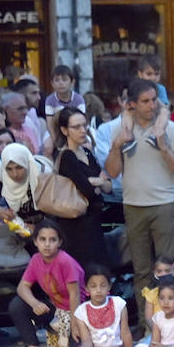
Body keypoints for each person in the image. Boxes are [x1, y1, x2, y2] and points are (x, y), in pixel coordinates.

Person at [103, 78, 174, 301]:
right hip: (133, 206)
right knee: (141, 270)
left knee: (167, 268)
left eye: (154, 100)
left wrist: (164, 149)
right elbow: (112, 173)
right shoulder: (119, 128)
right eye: (145, 101)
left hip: (164, 205)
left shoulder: (169, 128)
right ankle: (146, 325)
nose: (152, 105)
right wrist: (116, 146)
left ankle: (172, 323)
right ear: (132, 104)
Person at [33, 265, 138, 347]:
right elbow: (87, 341)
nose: (98, 290)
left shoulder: (119, 304)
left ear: (109, 287)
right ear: (87, 289)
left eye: (103, 285)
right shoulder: (81, 311)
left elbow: (125, 333)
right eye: (93, 286)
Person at [7, 220, 83, 347]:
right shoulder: (36, 260)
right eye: (42, 239)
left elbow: (75, 295)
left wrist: (75, 324)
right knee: (17, 305)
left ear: (60, 242)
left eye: (52, 240)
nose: (47, 244)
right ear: (35, 242)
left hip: (78, 312)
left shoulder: (65, 261)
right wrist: (34, 303)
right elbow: (22, 287)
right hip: (57, 311)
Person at [52, 106, 112, 270]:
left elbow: (107, 186)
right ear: (65, 130)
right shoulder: (66, 156)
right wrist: (96, 184)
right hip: (75, 225)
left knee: (99, 272)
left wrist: (97, 183)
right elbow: (89, 191)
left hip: (93, 222)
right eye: (76, 127)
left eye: (84, 125)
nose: (82, 130)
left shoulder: (87, 152)